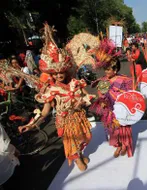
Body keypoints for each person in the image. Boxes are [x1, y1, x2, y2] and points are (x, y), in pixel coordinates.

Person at [18, 24, 96, 171]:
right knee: (71, 141)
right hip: (65, 120)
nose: (59, 75)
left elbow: (85, 96)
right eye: (55, 73)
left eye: (61, 72)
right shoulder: (51, 89)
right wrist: (30, 124)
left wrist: (87, 99)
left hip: (78, 116)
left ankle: (79, 153)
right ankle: (77, 158)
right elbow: (46, 110)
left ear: (66, 71)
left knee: (85, 137)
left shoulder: (74, 82)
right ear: (52, 74)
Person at [90, 39, 133, 158]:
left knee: (124, 127)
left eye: (109, 69)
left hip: (122, 109)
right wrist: (102, 102)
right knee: (114, 129)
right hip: (110, 110)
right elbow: (101, 94)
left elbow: (130, 94)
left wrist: (122, 93)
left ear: (115, 69)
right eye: (106, 69)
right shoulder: (103, 81)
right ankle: (118, 145)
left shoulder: (124, 79)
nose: (107, 72)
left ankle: (125, 144)